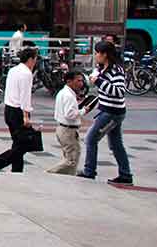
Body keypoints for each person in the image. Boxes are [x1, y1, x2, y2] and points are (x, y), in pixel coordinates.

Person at [79, 40, 132, 184]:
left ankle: (89, 171)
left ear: (105, 55)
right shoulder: (103, 68)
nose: (96, 55)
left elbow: (120, 92)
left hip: (112, 112)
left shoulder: (116, 71)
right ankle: (125, 175)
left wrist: (99, 82)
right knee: (116, 144)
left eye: (97, 53)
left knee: (91, 139)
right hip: (109, 111)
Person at [0, 47, 38, 173]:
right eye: (35, 59)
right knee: (23, 144)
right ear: (30, 59)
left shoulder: (13, 70)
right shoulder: (26, 73)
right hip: (18, 112)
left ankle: (17, 169)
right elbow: (25, 96)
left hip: (9, 109)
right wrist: (26, 116)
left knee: (18, 142)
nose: (35, 62)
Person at [47, 69, 86, 175]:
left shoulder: (64, 93)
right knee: (71, 160)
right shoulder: (69, 95)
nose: (81, 84)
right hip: (68, 130)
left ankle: (68, 176)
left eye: (81, 81)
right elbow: (70, 115)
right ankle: (49, 173)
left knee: (70, 156)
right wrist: (83, 111)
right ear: (69, 81)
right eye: (78, 81)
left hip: (63, 129)